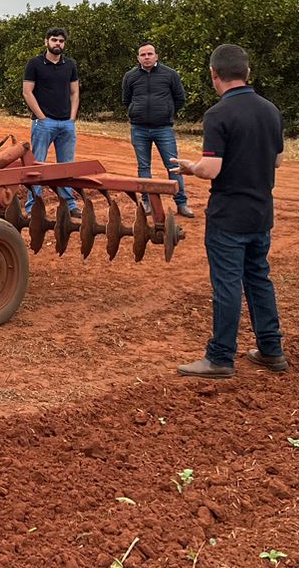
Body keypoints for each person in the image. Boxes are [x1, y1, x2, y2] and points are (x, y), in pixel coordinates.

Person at [171, 44, 287, 379]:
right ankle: (271, 349)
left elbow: (211, 169)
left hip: (229, 215)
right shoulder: (270, 110)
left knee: (227, 285)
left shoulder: (218, 114)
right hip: (261, 212)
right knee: (258, 278)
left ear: (214, 74)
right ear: (247, 72)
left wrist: (191, 167)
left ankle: (220, 357)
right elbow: (278, 160)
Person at [122, 43, 193, 219]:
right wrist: (135, 111)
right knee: (143, 167)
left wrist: (166, 112)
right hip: (139, 128)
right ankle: (146, 202)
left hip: (163, 128)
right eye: (143, 54)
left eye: (150, 54)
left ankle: (181, 203)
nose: (146, 57)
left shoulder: (170, 74)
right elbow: (126, 100)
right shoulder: (130, 76)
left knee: (173, 166)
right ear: (138, 58)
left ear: (156, 56)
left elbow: (180, 98)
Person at [22, 28, 81, 217]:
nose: (58, 43)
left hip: (66, 124)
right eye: (54, 40)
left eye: (61, 41)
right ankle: (33, 207)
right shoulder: (35, 63)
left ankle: (69, 205)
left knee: (66, 166)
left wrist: (72, 117)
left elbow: (74, 92)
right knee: (37, 166)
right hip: (44, 124)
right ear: (46, 41)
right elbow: (27, 92)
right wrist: (41, 117)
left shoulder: (70, 64)